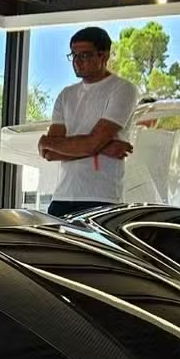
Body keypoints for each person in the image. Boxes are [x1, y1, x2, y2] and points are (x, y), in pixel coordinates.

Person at [39, 27, 140, 217]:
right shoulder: (66, 94)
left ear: (104, 56)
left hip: (102, 198)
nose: (77, 61)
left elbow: (87, 143)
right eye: (73, 55)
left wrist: (49, 142)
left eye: (85, 55)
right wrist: (102, 148)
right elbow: (49, 153)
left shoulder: (122, 89)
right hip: (62, 197)